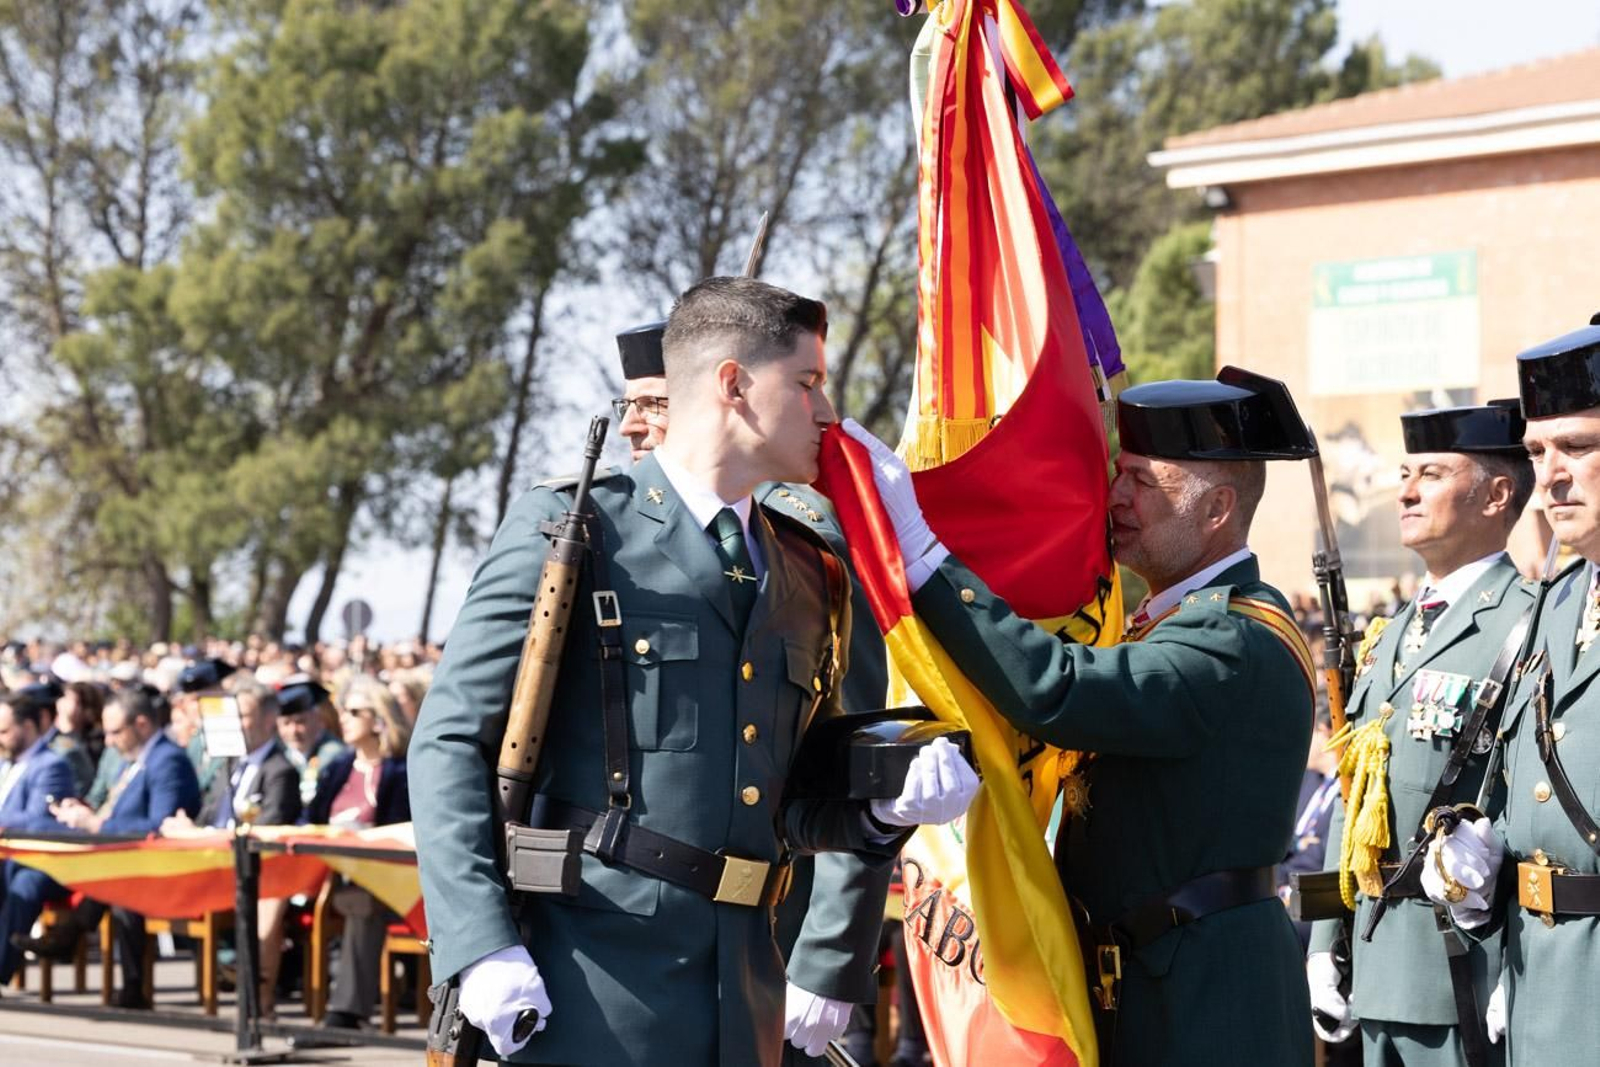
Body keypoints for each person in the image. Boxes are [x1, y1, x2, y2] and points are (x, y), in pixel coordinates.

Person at [410, 277, 979, 1066]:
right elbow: (447, 742)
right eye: (808, 383)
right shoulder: (575, 531)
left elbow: (787, 798)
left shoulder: (805, 565)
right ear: (733, 384)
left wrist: (881, 808)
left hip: (744, 985)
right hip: (590, 984)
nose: (826, 413)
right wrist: (479, 945)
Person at [844, 367, 1320, 1065]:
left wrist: (923, 553)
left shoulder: (1233, 639)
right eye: (1118, 474)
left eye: (1143, 484)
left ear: (1217, 508)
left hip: (1206, 992)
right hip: (1150, 971)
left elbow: (1056, 688)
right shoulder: (1170, 625)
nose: (1116, 498)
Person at [612, 317, 896, 1063]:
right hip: (626, 944)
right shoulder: (597, 537)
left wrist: (829, 953)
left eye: (652, 401)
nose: (635, 424)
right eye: (628, 406)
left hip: (769, 938)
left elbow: (845, 752)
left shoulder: (800, 547)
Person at [1306, 400, 1534, 1064]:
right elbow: (1354, 790)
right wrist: (1326, 940)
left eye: (1431, 473)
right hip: (1379, 966)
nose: (1405, 490)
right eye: (1406, 472)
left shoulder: (1525, 623)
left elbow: (1536, 807)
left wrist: (1526, 960)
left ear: (1495, 494)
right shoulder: (1391, 634)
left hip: (1467, 967)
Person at [1424, 319, 1600, 1058]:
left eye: (1579, 447)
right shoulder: (1560, 600)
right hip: (1539, 985)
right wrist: (1481, 849)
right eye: (1537, 451)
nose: (1550, 476)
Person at [13, 687, 202, 1007]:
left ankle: (118, 974)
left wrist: (97, 826)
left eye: (116, 732)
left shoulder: (166, 760)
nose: (110, 742)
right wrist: (81, 812)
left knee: (121, 887)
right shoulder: (131, 760)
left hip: (163, 863)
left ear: (141, 724)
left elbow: (160, 825)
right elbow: (116, 810)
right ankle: (73, 938)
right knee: (110, 878)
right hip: (124, 857)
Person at [311, 675, 412, 1030]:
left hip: (387, 877)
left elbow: (405, 827)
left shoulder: (400, 770)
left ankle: (346, 1013)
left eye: (354, 711)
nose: (344, 718)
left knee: (362, 902)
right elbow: (311, 819)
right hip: (329, 872)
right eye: (342, 710)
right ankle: (257, 1005)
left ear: (379, 718)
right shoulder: (338, 767)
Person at [276, 676, 348, 808]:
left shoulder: (334, 755)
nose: (293, 731)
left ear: (318, 720)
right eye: (286, 723)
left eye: (300, 722)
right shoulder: (279, 755)